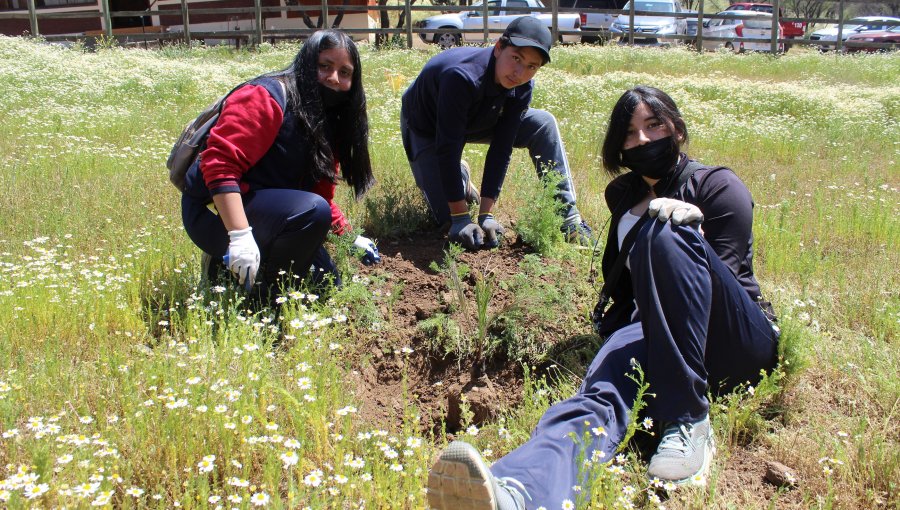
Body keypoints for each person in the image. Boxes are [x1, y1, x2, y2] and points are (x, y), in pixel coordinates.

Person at [426, 86, 780, 510]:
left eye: (654, 125)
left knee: (664, 232)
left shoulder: (718, 186)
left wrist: (686, 240)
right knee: (597, 398)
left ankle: (688, 418)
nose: (643, 140)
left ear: (678, 130)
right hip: (652, 330)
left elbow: (732, 284)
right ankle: (517, 491)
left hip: (735, 341)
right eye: (630, 133)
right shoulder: (623, 196)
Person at [180, 29, 380, 300]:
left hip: (266, 210)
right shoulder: (266, 95)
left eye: (345, 73)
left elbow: (319, 196)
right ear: (308, 63)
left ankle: (257, 271)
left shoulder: (324, 120)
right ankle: (256, 293)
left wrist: (348, 236)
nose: (334, 78)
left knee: (328, 286)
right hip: (213, 214)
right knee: (311, 215)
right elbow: (220, 165)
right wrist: (239, 235)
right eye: (325, 66)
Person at [400, 16, 593, 251]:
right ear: (498, 48)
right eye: (516, 58)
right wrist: (461, 216)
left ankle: (569, 221)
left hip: (482, 116)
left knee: (543, 123)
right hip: (428, 126)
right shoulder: (461, 76)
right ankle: (462, 180)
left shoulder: (521, 85)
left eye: (532, 66)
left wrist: (485, 214)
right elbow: (447, 146)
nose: (519, 72)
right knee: (447, 219)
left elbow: (502, 147)